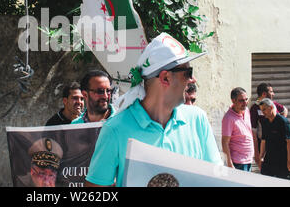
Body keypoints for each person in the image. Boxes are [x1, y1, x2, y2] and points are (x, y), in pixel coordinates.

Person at [85, 33, 222, 187]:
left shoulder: (198, 119)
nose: (193, 80)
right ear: (165, 78)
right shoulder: (115, 129)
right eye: (188, 73)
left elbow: (216, 179)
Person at [250, 82, 288, 162]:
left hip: (279, 143)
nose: (273, 94)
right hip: (265, 145)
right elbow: (253, 132)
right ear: (264, 94)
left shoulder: (273, 104)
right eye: (271, 92)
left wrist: (280, 122)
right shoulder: (254, 108)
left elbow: (284, 110)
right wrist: (257, 154)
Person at [221, 87, 256, 171]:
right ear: (233, 100)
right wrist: (229, 164)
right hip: (238, 163)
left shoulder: (246, 110)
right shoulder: (229, 118)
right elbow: (225, 142)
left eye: (246, 99)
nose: (245, 103)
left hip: (248, 160)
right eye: (241, 100)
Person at [258, 98, 290, 180]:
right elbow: (264, 140)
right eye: (261, 110)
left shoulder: (283, 121)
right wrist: (261, 156)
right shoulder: (265, 122)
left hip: (282, 161)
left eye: (264, 110)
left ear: (271, 107)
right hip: (269, 161)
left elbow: (289, 141)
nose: (263, 113)